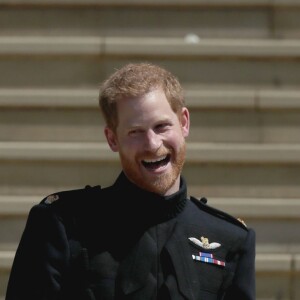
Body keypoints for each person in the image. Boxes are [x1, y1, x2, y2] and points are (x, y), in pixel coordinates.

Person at [5, 62, 256, 300]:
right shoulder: (62, 225)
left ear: (184, 123)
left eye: (161, 126)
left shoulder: (229, 239)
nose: (152, 144)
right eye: (135, 132)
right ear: (112, 139)